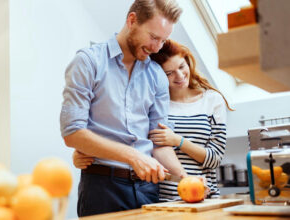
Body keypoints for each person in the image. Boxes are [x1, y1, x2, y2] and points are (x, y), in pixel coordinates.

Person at [60, 0, 185, 217]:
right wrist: (133, 157)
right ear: (132, 20)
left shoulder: (157, 76)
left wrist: (185, 177)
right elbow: (72, 133)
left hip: (148, 190)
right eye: (153, 37)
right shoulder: (88, 62)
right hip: (101, 189)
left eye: (163, 41)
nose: (157, 48)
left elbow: (160, 142)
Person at [74, 39, 233, 202]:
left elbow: (215, 158)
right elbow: (134, 143)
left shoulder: (212, 100)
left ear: (188, 61)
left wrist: (178, 141)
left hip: (203, 193)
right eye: (169, 73)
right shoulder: (152, 104)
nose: (179, 76)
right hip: (161, 197)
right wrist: (88, 152)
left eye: (181, 66)